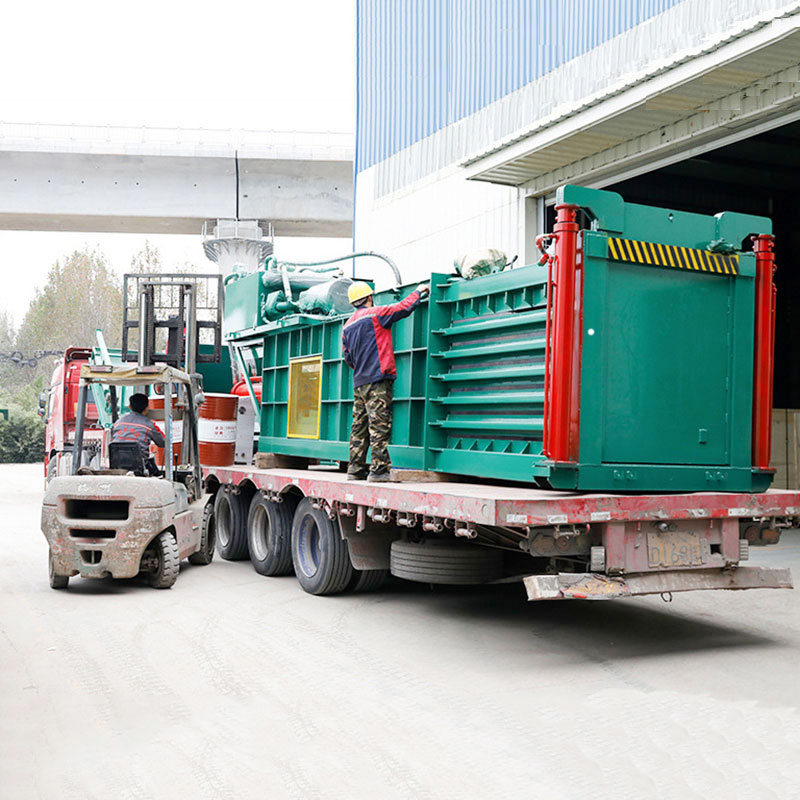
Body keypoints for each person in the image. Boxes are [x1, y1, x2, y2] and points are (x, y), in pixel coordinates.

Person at [342, 281, 429, 482]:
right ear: (370, 297)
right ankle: (379, 470)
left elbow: (347, 358)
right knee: (379, 424)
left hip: (359, 382)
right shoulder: (377, 314)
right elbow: (404, 308)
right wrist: (419, 291)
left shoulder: (347, 327)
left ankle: (355, 469)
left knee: (359, 426)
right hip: (378, 379)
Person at [110, 393, 165, 470]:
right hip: (139, 466)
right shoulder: (149, 425)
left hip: (116, 464)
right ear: (146, 408)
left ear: (129, 407)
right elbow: (162, 443)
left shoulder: (118, 422)